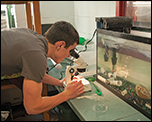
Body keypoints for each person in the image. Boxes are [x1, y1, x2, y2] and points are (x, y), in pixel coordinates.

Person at [1, 21, 84, 115]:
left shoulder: (33, 37)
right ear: (60, 45)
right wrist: (66, 95)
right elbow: (32, 107)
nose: (69, 56)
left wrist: (59, 83)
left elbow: (35, 72)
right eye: (70, 51)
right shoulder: (36, 55)